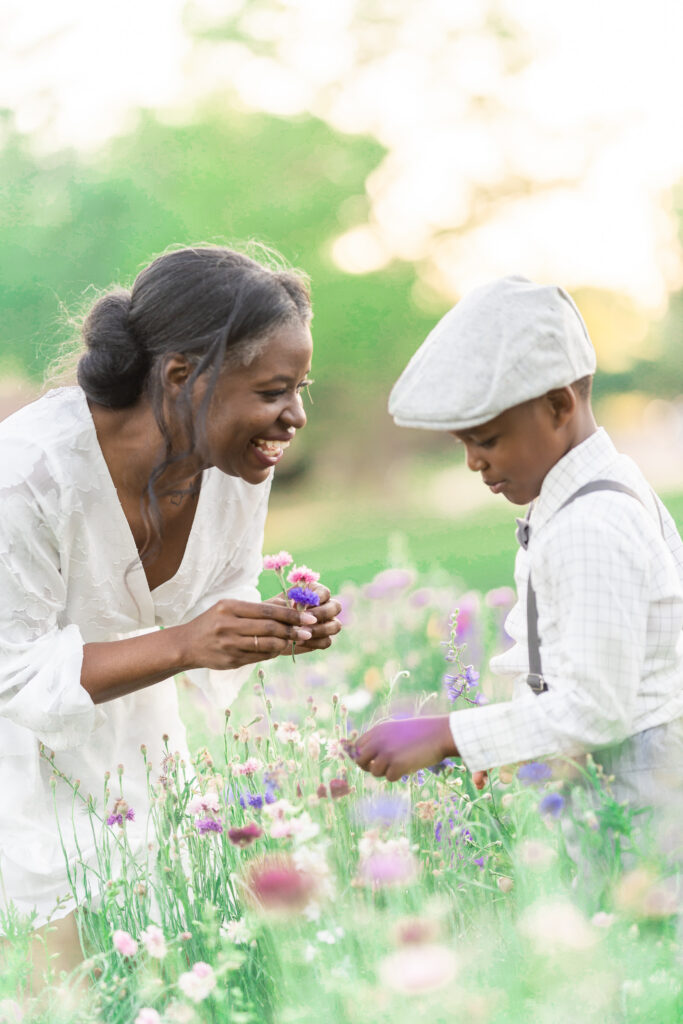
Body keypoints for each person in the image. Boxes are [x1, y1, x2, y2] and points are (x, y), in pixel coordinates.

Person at [0, 245, 341, 982]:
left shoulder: (231, 463)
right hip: (18, 784)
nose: (295, 415)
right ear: (182, 376)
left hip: (147, 771)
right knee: (59, 996)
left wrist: (271, 627)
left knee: (166, 986)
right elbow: (11, 673)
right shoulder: (27, 474)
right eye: (274, 390)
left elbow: (210, 608)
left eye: (300, 388)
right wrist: (185, 644)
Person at [353, 275, 683, 836]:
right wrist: (513, 740)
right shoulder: (590, 493)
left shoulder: (590, 524)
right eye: (463, 445)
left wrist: (449, 736)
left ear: (557, 406)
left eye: (485, 440)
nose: (473, 463)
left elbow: (597, 707)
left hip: (644, 799)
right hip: (618, 783)